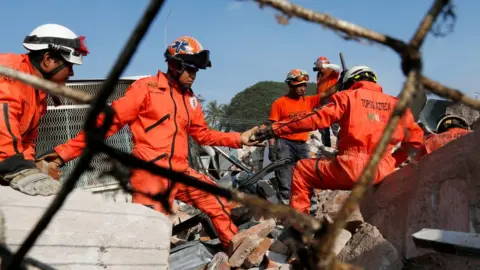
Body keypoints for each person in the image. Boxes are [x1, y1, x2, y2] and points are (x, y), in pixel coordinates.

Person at [37, 36, 260, 249]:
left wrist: (238, 138)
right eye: (190, 68)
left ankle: (238, 256)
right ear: (175, 65)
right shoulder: (147, 88)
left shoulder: (190, 99)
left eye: (196, 70)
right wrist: (63, 154)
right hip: (150, 174)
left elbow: (203, 134)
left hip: (179, 171)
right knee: (149, 233)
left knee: (217, 199)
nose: (194, 75)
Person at [253, 66, 424, 214]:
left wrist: (274, 129)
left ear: (350, 82)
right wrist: (393, 161)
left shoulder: (348, 97)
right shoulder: (396, 104)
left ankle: (300, 227)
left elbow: (314, 119)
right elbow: (416, 140)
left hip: (351, 169)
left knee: (302, 170)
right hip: (382, 170)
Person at [0, 24, 89, 196]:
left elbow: (24, 142)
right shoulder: (9, 76)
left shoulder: (36, 92)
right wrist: (18, 169)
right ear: (48, 60)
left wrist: (31, 167)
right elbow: (2, 129)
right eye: (69, 66)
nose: (71, 74)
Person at [268, 67, 338, 206]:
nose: (303, 88)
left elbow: (327, 93)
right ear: (290, 85)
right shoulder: (279, 103)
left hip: (302, 144)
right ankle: (287, 207)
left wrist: (341, 81)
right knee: (285, 176)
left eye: (304, 85)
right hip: (284, 143)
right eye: (299, 85)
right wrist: (272, 146)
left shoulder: (309, 101)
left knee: (307, 174)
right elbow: (271, 128)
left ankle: (310, 205)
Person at [313, 56, 341, 149]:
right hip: (321, 102)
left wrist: (325, 65)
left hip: (331, 100)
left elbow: (337, 68)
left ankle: (341, 144)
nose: (318, 67)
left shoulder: (332, 73)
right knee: (323, 125)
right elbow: (318, 90)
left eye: (319, 64)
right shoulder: (319, 75)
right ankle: (327, 146)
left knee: (334, 125)